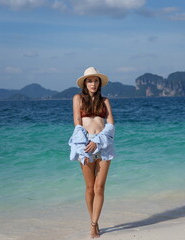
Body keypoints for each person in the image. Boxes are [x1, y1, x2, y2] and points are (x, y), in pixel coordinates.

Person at [69, 67, 115, 238]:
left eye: (96, 80)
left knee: (99, 187)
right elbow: (77, 122)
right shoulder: (78, 98)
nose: (93, 83)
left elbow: (110, 124)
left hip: (103, 146)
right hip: (85, 145)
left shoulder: (105, 101)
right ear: (85, 83)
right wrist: (87, 143)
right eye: (90, 80)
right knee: (89, 187)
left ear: (99, 83)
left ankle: (94, 224)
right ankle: (93, 220)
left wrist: (98, 141)